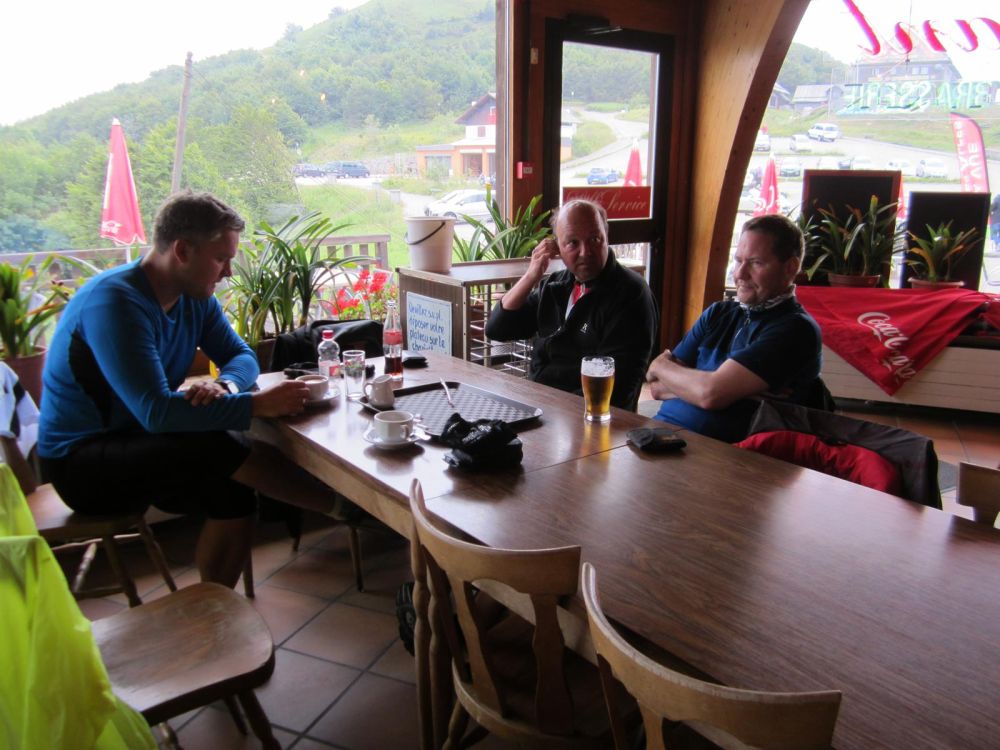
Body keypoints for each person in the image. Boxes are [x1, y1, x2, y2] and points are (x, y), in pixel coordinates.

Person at [38, 191, 352, 587]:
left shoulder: (193, 298)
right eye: (221, 259)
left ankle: (214, 605)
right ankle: (346, 509)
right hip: (81, 464)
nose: (229, 273)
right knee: (214, 443)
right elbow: (157, 412)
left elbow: (241, 356)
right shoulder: (115, 302)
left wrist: (226, 386)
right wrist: (254, 405)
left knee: (234, 494)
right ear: (182, 250)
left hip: (143, 444)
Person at [646, 213, 823, 442]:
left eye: (756, 263)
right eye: (738, 261)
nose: (739, 273)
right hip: (658, 437)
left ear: (790, 267)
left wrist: (663, 366)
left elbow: (710, 395)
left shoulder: (796, 329)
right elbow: (656, 387)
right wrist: (713, 389)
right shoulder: (718, 313)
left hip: (728, 454)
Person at [484, 199, 657, 410]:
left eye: (594, 239)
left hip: (590, 417)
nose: (586, 252)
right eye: (573, 243)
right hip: (540, 407)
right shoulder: (556, 285)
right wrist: (531, 275)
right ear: (557, 247)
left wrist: (548, 411)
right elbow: (496, 329)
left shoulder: (630, 294)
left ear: (606, 237)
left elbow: (617, 390)